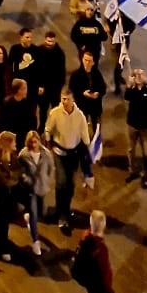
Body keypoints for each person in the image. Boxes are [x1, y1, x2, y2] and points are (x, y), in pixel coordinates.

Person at [45, 86, 92, 232]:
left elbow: (85, 136)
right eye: (62, 99)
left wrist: (88, 151)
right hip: (59, 152)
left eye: (67, 99)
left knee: (70, 185)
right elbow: (48, 129)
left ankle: (65, 208)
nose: (64, 102)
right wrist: (49, 143)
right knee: (61, 183)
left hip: (74, 154)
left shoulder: (80, 116)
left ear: (73, 99)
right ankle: (62, 215)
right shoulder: (55, 113)